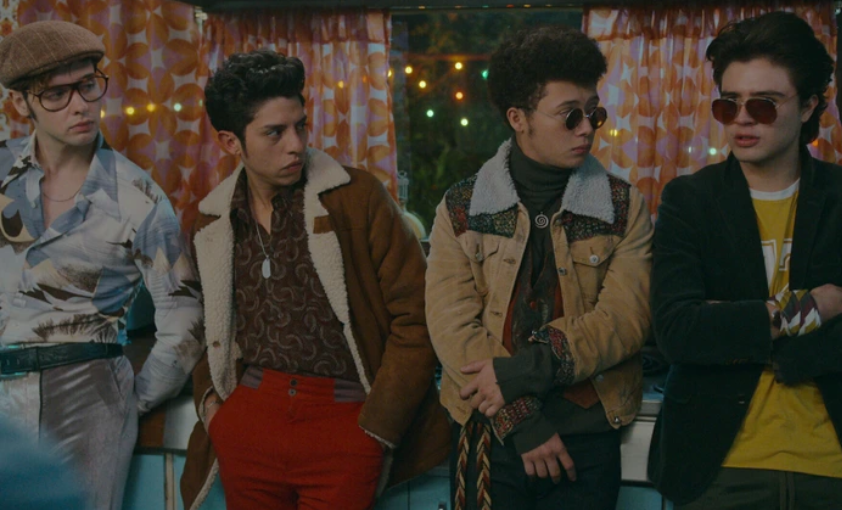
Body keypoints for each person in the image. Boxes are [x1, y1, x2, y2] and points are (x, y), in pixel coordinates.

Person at [647, 11, 842, 510]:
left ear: (808, 105)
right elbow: (677, 331)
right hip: (717, 467)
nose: (742, 119)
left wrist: (765, 343)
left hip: (835, 466)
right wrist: (813, 310)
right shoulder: (690, 200)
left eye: (764, 105)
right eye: (728, 103)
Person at [179, 49, 450, 510]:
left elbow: (418, 316)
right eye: (275, 132)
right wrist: (214, 411)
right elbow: (206, 326)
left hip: (345, 420)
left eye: (300, 126)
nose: (296, 144)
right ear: (230, 142)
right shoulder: (212, 220)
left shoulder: (355, 198)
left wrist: (377, 428)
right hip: (250, 422)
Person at [425, 25, 653, 510]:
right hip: (493, 433)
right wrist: (522, 421)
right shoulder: (463, 207)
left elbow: (625, 320)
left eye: (593, 112)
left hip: (587, 439)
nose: (587, 128)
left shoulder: (622, 205)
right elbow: (452, 327)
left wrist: (525, 370)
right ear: (518, 118)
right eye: (570, 116)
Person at [0, 20, 204, 510]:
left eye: (88, 85)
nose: (80, 105)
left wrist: (128, 399)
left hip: (88, 391)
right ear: (21, 103)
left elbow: (184, 316)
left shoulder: (138, 195)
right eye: (57, 94)